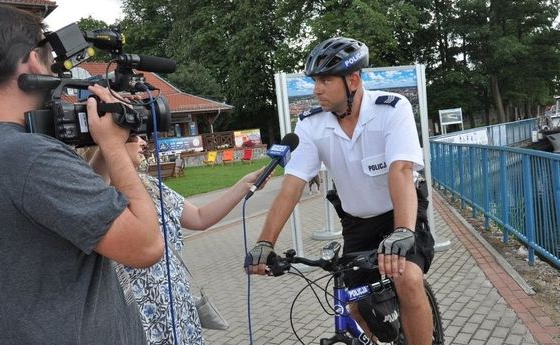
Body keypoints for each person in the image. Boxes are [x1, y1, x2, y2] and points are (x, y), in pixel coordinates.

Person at [0, 5, 164, 344]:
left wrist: (103, 151)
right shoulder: (30, 157)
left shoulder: (7, 154)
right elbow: (146, 245)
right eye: (49, 55)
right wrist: (113, 147)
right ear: (32, 61)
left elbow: (75, 215)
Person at [244, 37, 435, 345]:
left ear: (353, 80)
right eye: (314, 81)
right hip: (358, 223)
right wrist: (265, 243)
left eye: (325, 80)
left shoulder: (392, 109)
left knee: (407, 279)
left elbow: (400, 171)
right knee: (355, 307)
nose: (316, 89)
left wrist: (402, 230)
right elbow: (291, 187)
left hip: (400, 214)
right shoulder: (310, 124)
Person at [91, 135, 270, 345]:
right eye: (133, 136)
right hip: (142, 321)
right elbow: (94, 187)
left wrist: (243, 184)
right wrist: (106, 140)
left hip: (178, 311)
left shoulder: (150, 184)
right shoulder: (99, 194)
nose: (142, 142)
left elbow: (199, 217)